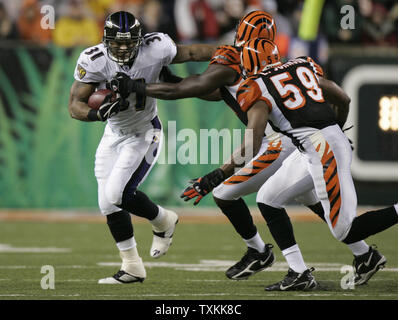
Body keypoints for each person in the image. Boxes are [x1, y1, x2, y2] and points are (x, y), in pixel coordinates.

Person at [113, 10, 376, 289]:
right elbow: (217, 90)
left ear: (241, 33)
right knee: (308, 197)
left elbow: (201, 85)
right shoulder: (269, 55)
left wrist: (139, 86)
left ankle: (265, 254)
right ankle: (363, 253)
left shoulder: (233, 57)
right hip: (295, 134)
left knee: (229, 192)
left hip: (279, 138)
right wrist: (174, 79)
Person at [229, 38, 396, 290]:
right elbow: (344, 98)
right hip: (316, 147)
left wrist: (219, 173)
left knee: (345, 231)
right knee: (268, 198)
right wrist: (335, 127)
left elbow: (253, 140)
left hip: (323, 151)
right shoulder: (299, 67)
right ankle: (302, 273)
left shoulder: (257, 85)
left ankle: (376, 241)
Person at [68, 11, 217, 284]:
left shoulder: (156, 47)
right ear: (105, 40)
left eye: (129, 42)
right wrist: (98, 114)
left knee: (116, 193)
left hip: (144, 132)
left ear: (140, 39)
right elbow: (75, 105)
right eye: (117, 42)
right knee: (107, 204)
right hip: (112, 134)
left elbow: (194, 52)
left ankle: (163, 219)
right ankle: (133, 266)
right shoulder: (94, 60)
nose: (123, 48)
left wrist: (236, 52)